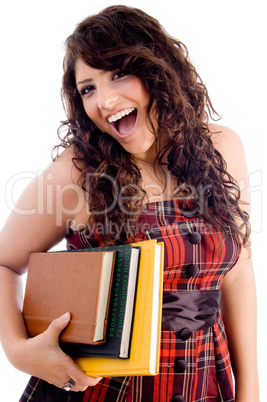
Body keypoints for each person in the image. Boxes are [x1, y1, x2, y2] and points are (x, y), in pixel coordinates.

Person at [0, 5, 259, 402]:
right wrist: (18, 352)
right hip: (101, 391)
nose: (104, 101)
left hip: (206, 384)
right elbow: (4, 263)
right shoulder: (76, 173)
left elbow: (238, 272)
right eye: (88, 88)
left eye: (118, 73)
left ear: (158, 68)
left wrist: (251, 389)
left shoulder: (223, 147)